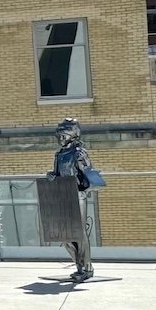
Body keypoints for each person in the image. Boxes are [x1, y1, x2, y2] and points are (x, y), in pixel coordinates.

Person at [47, 118, 104, 282]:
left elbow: (90, 175)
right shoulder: (59, 155)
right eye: (59, 135)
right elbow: (58, 175)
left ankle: (87, 267)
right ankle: (79, 266)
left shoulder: (79, 152)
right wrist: (52, 176)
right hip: (63, 195)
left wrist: (86, 182)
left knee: (79, 233)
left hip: (78, 195)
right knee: (65, 236)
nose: (61, 138)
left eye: (64, 135)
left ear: (73, 135)